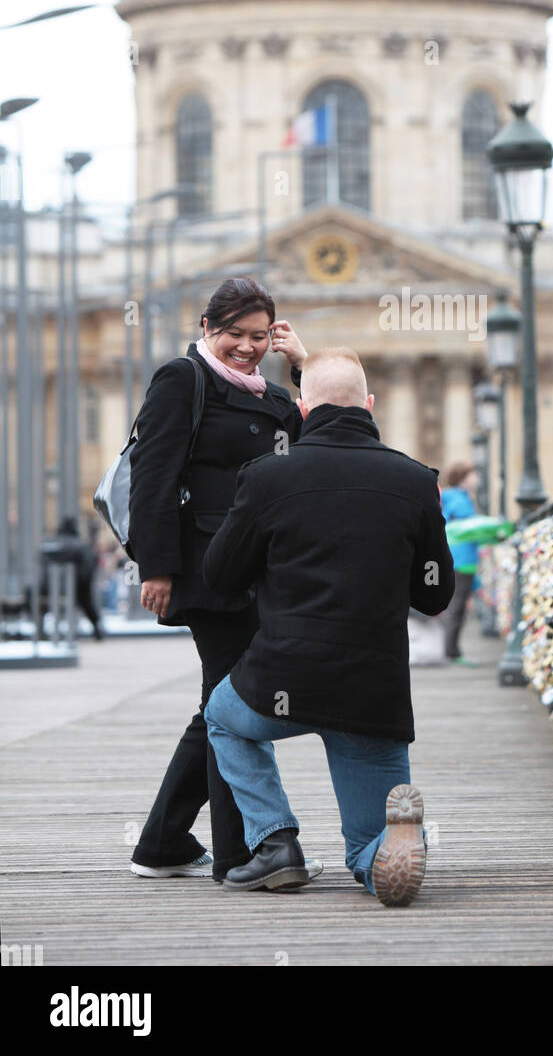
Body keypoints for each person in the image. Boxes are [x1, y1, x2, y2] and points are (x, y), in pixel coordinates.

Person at [202, 346, 455, 906]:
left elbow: (220, 575)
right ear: (369, 404)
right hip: (373, 689)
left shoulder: (267, 477)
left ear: (301, 407)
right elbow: (435, 595)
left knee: (221, 719)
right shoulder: (414, 482)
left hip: (280, 680)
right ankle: (386, 853)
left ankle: (275, 843)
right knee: (368, 836)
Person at [126, 276, 307, 882]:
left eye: (260, 336)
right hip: (207, 568)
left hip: (263, 568)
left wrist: (303, 367)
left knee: (221, 704)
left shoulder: (275, 397)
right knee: (232, 700)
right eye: (235, 334)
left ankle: (163, 841)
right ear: (207, 328)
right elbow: (152, 476)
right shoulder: (184, 380)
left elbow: (316, 445)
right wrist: (156, 568)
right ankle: (238, 852)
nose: (247, 347)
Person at [440, 462, 482, 665]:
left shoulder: (455, 497)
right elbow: (470, 527)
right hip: (461, 559)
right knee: (457, 606)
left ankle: (452, 650)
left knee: (457, 606)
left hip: (461, 558)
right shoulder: (459, 499)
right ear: (463, 478)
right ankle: (451, 652)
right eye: (473, 475)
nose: (477, 479)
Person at [38, 517, 104, 641]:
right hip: (77, 590)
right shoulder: (80, 545)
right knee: (87, 602)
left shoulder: (48, 544)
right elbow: (89, 567)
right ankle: (97, 630)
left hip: (47, 589)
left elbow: (39, 565)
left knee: (39, 601)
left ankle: (39, 631)